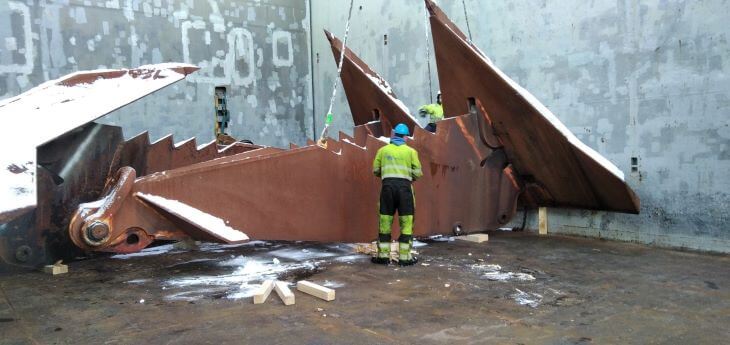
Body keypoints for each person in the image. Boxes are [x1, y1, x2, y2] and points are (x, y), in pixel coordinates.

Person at [371, 123, 423, 266]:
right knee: (406, 223)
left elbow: (375, 170)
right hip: (404, 190)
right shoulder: (411, 152)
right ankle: (404, 259)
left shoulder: (382, 150)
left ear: (394, 136)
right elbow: (418, 173)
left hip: (387, 188)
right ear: (405, 136)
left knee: (385, 222)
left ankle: (382, 257)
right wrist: (407, 175)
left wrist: (388, 175)